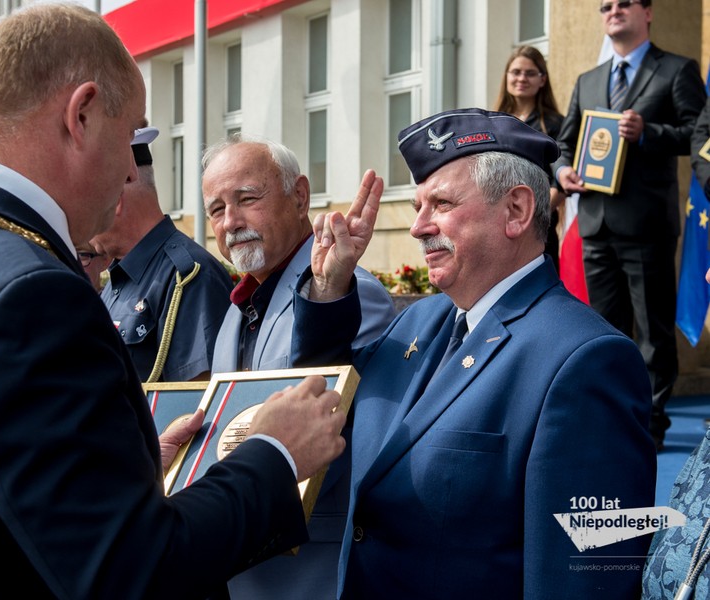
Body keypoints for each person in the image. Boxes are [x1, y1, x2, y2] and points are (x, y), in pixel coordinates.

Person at [0, 5, 349, 598]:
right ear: (83, 114)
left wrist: (131, 465)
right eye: (131, 137)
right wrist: (273, 455)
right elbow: (129, 572)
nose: (131, 168)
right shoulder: (29, 291)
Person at [292, 108, 656, 598]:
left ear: (517, 211)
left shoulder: (587, 360)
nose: (419, 227)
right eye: (420, 206)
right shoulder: (419, 321)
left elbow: (585, 577)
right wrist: (330, 288)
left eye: (440, 204)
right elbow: (326, 400)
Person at [201, 135, 395, 599]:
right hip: (248, 560)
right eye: (216, 209)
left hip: (312, 568)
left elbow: (342, 432)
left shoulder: (347, 289)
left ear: (300, 195)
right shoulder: (238, 308)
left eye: (247, 199)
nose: (231, 222)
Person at [554, 0, 706, 451]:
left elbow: (698, 135)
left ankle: (652, 423)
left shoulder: (677, 70)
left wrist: (649, 132)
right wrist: (563, 173)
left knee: (653, 335)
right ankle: (609, 416)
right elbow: (564, 145)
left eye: (624, 4)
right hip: (596, 224)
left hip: (647, 225)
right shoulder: (588, 80)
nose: (614, 11)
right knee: (604, 330)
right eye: (606, 6)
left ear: (648, 12)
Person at [91, 125, 233, 383]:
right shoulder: (118, 280)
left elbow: (192, 405)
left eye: (86, 200)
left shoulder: (189, 276)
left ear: (116, 199)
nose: (78, 218)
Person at [494, 45, 565, 269]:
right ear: (506, 77)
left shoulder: (556, 124)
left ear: (542, 79)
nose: (522, 78)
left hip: (538, 226)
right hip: (497, 226)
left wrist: (531, 215)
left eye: (530, 73)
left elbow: (560, 181)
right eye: (516, 72)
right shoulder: (493, 123)